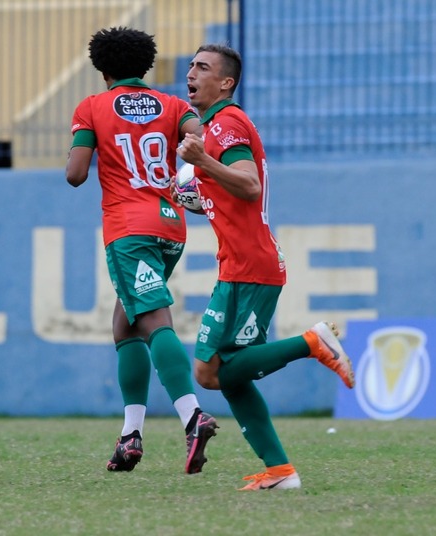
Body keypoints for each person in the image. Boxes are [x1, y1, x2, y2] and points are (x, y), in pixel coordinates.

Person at [174, 43, 355, 490]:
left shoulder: (228, 122)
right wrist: (197, 197)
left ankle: (312, 342)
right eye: (191, 66)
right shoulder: (216, 127)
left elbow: (250, 186)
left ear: (226, 82)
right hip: (238, 263)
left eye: (202, 67)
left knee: (209, 371)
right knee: (222, 373)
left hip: (250, 265)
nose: (190, 73)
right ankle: (280, 472)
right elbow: (233, 195)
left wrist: (202, 162)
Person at [66, 27, 218, 474]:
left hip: (128, 229)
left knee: (152, 319)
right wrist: (186, 168)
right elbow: (200, 138)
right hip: (171, 226)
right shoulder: (173, 106)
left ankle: (193, 415)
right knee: (125, 325)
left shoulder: (92, 107)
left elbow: (76, 174)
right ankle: (130, 436)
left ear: (102, 67)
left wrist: (87, 145)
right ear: (145, 64)